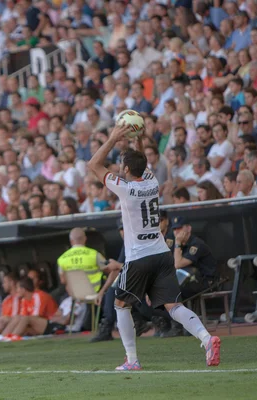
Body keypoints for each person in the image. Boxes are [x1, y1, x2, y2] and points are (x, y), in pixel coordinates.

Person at [88, 124, 220, 370]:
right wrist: (137, 141)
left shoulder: (126, 188)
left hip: (139, 256)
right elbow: (143, 165)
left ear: (126, 169)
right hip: (161, 253)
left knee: (120, 305)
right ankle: (207, 338)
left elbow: (94, 165)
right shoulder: (151, 181)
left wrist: (113, 138)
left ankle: (132, 360)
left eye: (122, 165)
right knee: (174, 306)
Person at [57, 227, 111, 293]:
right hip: (96, 294)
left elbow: (63, 280)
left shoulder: (62, 259)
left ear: (71, 241)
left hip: (76, 295)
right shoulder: (94, 254)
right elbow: (108, 270)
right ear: (85, 239)